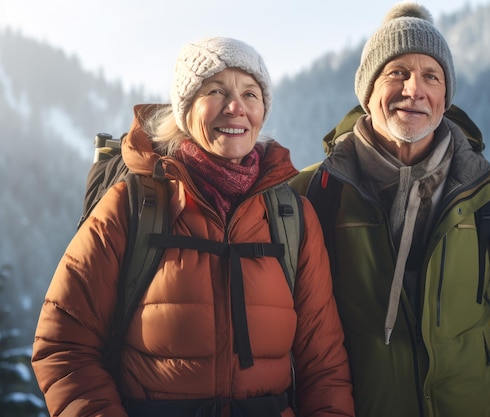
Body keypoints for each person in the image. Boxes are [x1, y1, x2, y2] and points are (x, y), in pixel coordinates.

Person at [31, 37, 355, 417]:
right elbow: (63, 344)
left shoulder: (291, 217)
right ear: (186, 109)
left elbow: (325, 366)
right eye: (216, 91)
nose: (236, 108)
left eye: (250, 94)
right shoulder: (131, 207)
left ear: (263, 110)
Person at [290, 3, 490, 417]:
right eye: (397, 72)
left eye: (431, 76)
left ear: (444, 96)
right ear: (368, 91)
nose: (414, 90)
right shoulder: (312, 194)